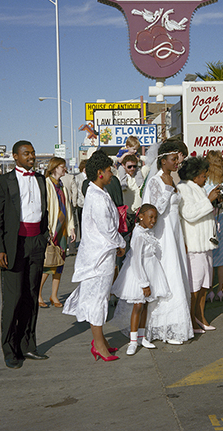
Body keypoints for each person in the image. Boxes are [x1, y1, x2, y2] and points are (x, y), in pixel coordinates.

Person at [0, 140, 50, 369]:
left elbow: (43, 212)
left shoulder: (41, 179)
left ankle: (28, 345)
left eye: (33, 153)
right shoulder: (3, 182)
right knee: (12, 300)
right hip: (14, 246)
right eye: (27, 154)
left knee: (31, 296)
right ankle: (10, 349)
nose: (31, 157)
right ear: (15, 156)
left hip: (36, 244)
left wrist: (44, 238)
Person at [62, 150, 126, 362]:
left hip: (101, 254)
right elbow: (107, 229)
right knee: (98, 301)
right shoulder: (97, 196)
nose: (111, 174)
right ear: (99, 173)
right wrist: (121, 243)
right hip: (98, 258)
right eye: (109, 171)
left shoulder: (99, 192)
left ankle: (101, 341)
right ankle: (99, 344)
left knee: (100, 298)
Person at [142, 140, 194, 345]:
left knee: (178, 274)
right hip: (163, 236)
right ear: (163, 161)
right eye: (173, 160)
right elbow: (152, 210)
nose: (176, 163)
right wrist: (167, 191)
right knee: (168, 275)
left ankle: (178, 324)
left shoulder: (173, 180)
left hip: (175, 234)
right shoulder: (155, 181)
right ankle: (165, 326)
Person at [111, 204, 170, 355]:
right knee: (138, 306)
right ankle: (132, 340)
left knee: (145, 305)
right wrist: (144, 283)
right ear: (141, 216)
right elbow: (136, 260)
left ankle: (142, 337)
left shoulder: (147, 232)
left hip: (151, 269)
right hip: (139, 273)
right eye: (150, 217)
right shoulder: (138, 234)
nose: (153, 220)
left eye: (155, 218)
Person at [177, 156, 223, 333]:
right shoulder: (183, 188)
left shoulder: (198, 188)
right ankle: (191, 318)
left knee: (205, 284)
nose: (205, 178)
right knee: (194, 286)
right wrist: (208, 200)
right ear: (194, 175)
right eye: (203, 175)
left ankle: (200, 316)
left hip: (206, 244)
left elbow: (204, 212)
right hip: (195, 246)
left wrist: (215, 202)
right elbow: (189, 213)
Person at [39, 157, 76, 309]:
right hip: (52, 230)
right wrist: (47, 231)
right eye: (62, 167)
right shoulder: (47, 185)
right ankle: (38, 293)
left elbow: (68, 209)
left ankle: (54, 295)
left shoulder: (63, 187)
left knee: (59, 264)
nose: (65, 169)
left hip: (63, 230)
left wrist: (72, 227)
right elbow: (44, 210)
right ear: (54, 168)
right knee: (48, 264)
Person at [204, 150, 223, 303]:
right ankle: (220, 290)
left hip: (209, 218)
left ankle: (209, 290)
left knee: (209, 256)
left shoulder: (204, 180)